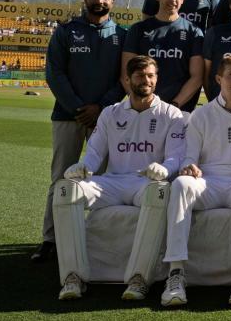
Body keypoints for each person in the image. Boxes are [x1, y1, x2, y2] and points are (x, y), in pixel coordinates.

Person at [53, 56, 185, 301]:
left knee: (159, 192)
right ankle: (73, 277)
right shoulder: (110, 113)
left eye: (151, 76)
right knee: (65, 190)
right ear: (127, 80)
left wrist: (164, 171)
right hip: (111, 183)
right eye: (140, 76)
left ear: (157, 78)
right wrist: (82, 167)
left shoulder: (172, 114)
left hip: (145, 182)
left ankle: (139, 279)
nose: (146, 81)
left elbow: (176, 157)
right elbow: (94, 152)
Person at [161, 55, 231, 307]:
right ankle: (176, 273)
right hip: (207, 181)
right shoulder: (200, 115)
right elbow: (189, 157)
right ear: (219, 78)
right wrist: (189, 167)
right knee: (180, 184)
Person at [34, 0, 127, 263]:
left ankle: (100, 235)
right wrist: (79, 108)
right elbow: (55, 75)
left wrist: (100, 108)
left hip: (105, 119)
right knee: (61, 176)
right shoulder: (66, 31)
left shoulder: (122, 35)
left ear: (113, 1)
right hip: (67, 116)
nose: (100, 1)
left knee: (105, 179)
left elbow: (122, 79)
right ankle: (50, 239)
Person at [123, 0, 204, 112]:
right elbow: (126, 73)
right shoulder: (138, 29)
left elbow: (197, 77)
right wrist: (141, 103)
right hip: (143, 109)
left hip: (179, 110)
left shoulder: (194, 32)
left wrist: (174, 105)